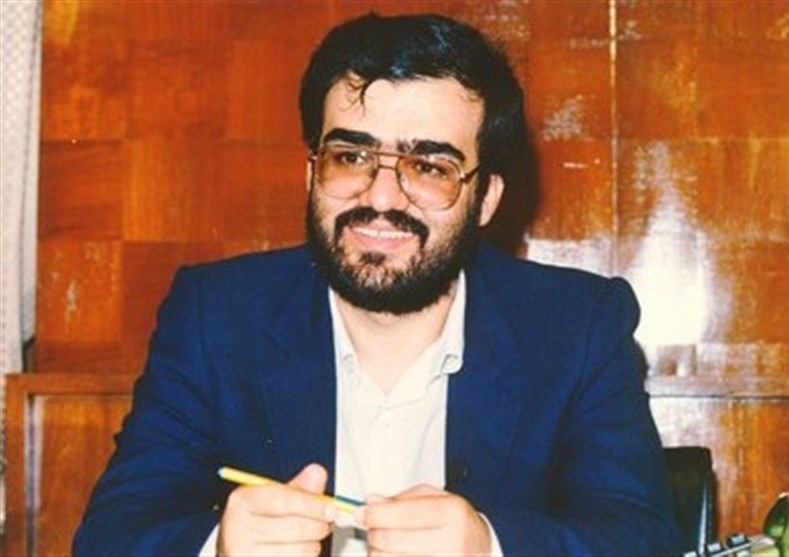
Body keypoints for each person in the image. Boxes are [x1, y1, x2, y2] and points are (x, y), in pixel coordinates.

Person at [73, 12, 682, 557]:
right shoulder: (217, 316)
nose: (382, 197)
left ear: (487, 197)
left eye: (430, 167)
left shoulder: (576, 325)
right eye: (351, 157)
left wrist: (490, 548)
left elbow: (642, 538)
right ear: (311, 173)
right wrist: (219, 548)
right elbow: (111, 536)